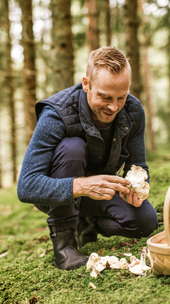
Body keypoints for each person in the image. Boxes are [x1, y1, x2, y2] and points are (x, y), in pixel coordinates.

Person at [17, 46, 158, 271]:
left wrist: (136, 188)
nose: (114, 107)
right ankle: (65, 247)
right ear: (86, 84)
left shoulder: (132, 111)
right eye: (105, 97)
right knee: (72, 147)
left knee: (146, 222)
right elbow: (26, 186)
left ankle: (87, 224)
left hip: (99, 192)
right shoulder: (56, 114)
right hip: (59, 191)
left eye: (121, 97)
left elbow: (138, 165)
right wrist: (81, 185)